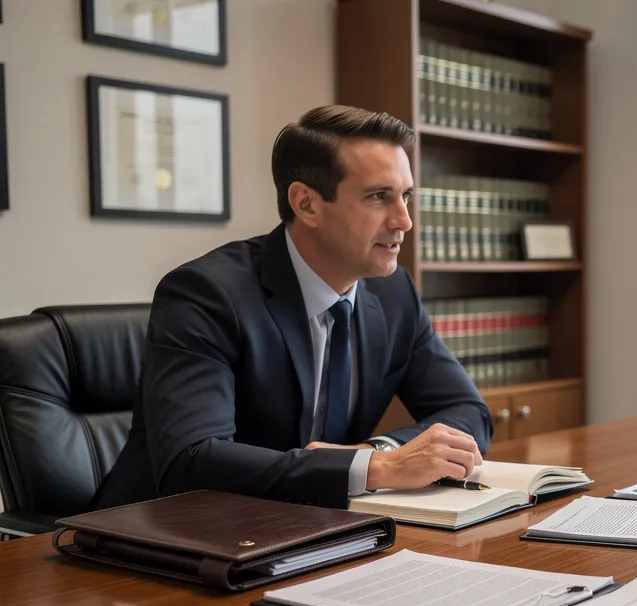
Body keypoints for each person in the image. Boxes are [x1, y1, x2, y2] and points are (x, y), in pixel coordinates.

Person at [95, 105, 492, 509]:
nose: (405, 221)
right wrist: (375, 468)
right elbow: (191, 461)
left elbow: (468, 411)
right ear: (306, 204)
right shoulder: (206, 294)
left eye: (405, 196)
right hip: (160, 537)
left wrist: (378, 450)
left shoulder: (395, 295)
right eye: (378, 197)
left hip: (310, 529)